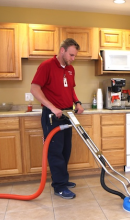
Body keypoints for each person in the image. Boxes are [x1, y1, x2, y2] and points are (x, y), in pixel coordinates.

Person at [30, 38, 84, 199]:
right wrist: (52, 107)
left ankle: (62, 180)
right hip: (52, 115)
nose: (73, 59)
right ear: (62, 50)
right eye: (71, 55)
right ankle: (59, 186)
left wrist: (78, 102)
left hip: (67, 114)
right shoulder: (46, 66)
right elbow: (34, 88)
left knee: (65, 150)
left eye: (75, 56)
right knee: (55, 152)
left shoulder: (70, 69)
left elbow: (71, 90)